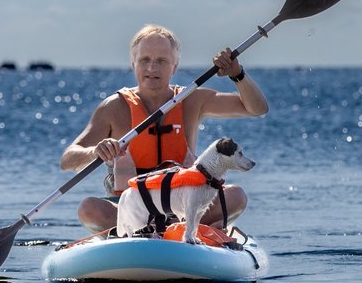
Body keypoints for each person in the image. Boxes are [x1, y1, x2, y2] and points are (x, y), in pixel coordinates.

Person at [60, 24, 269, 234]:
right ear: (133, 64)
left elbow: (257, 108)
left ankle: (176, 228)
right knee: (89, 208)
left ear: (175, 66)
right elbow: (68, 160)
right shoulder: (113, 107)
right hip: (130, 206)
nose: (152, 68)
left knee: (236, 195)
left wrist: (237, 74)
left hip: (184, 204)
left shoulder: (192, 99)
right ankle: (151, 228)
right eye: (145, 60)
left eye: (161, 61)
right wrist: (94, 151)